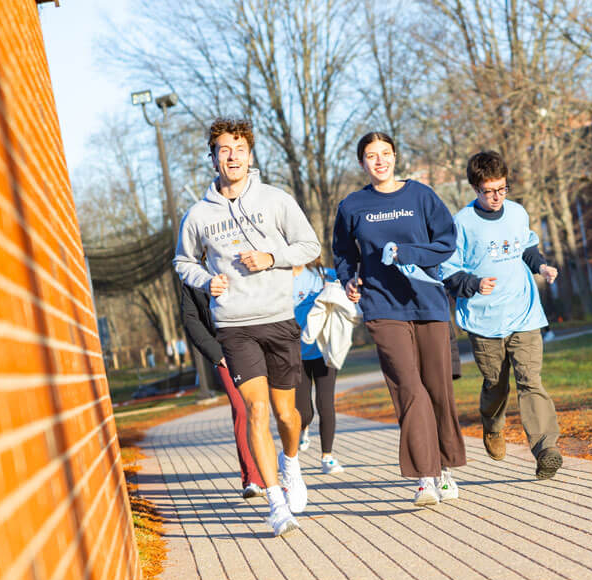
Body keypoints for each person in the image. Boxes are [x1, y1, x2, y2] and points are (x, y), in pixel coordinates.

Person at [174, 118, 322, 537]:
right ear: (214, 157)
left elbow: (309, 246)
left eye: (239, 148)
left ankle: (291, 465)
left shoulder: (276, 200)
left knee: (287, 414)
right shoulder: (199, 214)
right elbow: (183, 261)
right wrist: (206, 280)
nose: (232, 155)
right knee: (256, 410)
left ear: (250, 155)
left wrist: (272, 258)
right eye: (224, 149)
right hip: (235, 324)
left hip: (277, 317)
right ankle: (276, 505)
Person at [333, 131, 466, 506]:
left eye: (386, 154)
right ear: (362, 162)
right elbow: (343, 253)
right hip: (382, 305)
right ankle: (426, 476)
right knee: (408, 388)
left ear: (395, 157)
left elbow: (446, 242)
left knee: (437, 388)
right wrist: (349, 279)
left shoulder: (421, 196)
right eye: (372, 155)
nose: (380, 161)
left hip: (428, 304)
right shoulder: (352, 206)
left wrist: (408, 252)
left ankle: (445, 468)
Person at [442, 151, 564, 480]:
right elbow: (448, 271)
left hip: (523, 312)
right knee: (496, 384)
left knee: (530, 380)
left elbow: (527, 248)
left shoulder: (517, 213)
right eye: (488, 191)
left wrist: (542, 266)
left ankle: (545, 448)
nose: (496, 197)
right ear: (474, 188)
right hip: (483, 321)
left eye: (502, 189)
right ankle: (493, 425)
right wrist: (473, 283)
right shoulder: (461, 223)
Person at [178, 279, 264, 498]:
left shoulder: (235, 257)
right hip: (225, 352)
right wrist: (217, 354)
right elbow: (191, 320)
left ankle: (276, 471)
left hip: (255, 342)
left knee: (267, 409)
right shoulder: (191, 277)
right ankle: (253, 478)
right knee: (243, 409)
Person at [292, 260, 345, 474]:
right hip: (296, 355)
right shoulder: (278, 279)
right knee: (303, 412)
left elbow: (348, 283)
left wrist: (338, 287)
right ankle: (303, 427)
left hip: (325, 351)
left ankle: (327, 457)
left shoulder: (323, 274)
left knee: (325, 404)